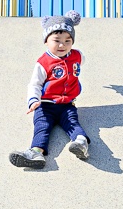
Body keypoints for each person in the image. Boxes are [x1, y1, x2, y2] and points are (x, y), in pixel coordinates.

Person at [9, 11, 89, 169]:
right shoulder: (43, 62)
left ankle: (81, 143)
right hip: (45, 105)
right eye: (56, 40)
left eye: (68, 40)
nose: (62, 45)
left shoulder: (77, 55)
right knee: (42, 126)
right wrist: (33, 100)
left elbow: (82, 60)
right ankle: (36, 153)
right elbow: (35, 84)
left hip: (67, 105)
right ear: (46, 41)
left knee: (73, 123)